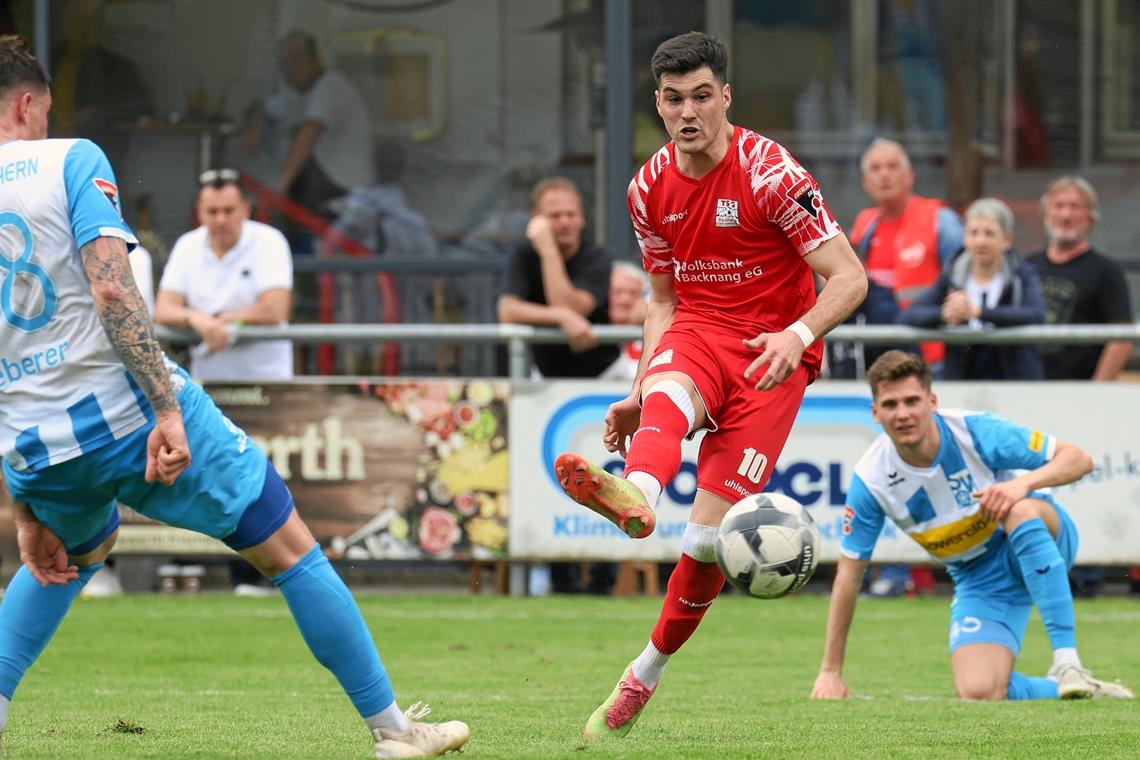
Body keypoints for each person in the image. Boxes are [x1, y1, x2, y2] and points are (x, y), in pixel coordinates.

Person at [0, 36, 467, 757]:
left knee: (63, 556)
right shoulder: (70, 159)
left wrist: (21, 497)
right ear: (30, 102)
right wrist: (163, 407)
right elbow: (110, 287)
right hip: (126, 415)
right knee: (290, 549)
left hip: (39, 447)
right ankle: (393, 731)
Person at [553, 32, 867, 739]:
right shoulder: (647, 188)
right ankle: (638, 492)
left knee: (703, 548)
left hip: (771, 357)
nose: (688, 111)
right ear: (658, 105)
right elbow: (661, 302)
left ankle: (643, 675)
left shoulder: (772, 174)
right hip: (698, 329)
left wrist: (798, 335)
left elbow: (850, 277)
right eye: (673, 99)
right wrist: (637, 388)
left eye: (701, 95)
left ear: (725, 96)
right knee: (666, 395)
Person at [810, 350, 1133, 702]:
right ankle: (1077, 691)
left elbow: (1079, 460)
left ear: (931, 402)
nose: (902, 414)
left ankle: (1068, 663)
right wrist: (830, 672)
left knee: (1018, 510)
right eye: (890, 405)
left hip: (1041, 534)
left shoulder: (975, 432)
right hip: (979, 577)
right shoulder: (871, 480)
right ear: (875, 413)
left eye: (912, 401)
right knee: (979, 691)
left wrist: (1021, 485)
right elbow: (849, 575)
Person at [155, 168, 294, 383]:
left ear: (246, 210)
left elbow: (275, 310)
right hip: (207, 382)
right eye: (212, 211)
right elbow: (163, 309)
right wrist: (196, 318)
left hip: (267, 381)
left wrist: (222, 320)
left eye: (229, 210)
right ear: (199, 212)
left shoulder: (270, 241)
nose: (221, 219)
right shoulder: (187, 245)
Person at [838, 138, 964, 372]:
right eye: (876, 169)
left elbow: (965, 283)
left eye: (893, 166)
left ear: (910, 175)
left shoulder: (940, 220)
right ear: (865, 182)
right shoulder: (864, 225)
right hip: (881, 355)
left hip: (932, 355)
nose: (884, 175)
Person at [900, 197, 1046, 380]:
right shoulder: (952, 274)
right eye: (973, 233)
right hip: (961, 382)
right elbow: (908, 315)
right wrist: (944, 315)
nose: (980, 241)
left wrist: (978, 312)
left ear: (1007, 240)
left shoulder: (1021, 274)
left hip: (1014, 380)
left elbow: (1036, 314)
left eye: (989, 234)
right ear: (964, 237)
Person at [245, 31, 375, 221]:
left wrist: (280, 186)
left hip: (349, 196)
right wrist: (254, 124)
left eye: (294, 60)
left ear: (316, 59)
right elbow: (267, 107)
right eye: (283, 63)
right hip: (328, 194)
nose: (288, 69)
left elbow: (308, 135)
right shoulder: (300, 94)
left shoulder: (331, 86)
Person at [497, 176, 619, 378]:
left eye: (571, 214)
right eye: (555, 216)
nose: (564, 222)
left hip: (603, 374)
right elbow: (507, 311)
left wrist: (548, 250)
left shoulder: (596, 256)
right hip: (545, 375)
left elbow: (568, 306)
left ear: (582, 218)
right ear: (536, 219)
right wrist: (561, 317)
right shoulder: (523, 254)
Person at [1026, 176, 1133, 381]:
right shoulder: (1025, 267)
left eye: (1075, 207)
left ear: (1090, 217)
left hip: (1079, 390)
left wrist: (1095, 392)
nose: (1066, 215)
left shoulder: (1106, 271)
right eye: (1059, 206)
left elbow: (1122, 340)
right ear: (1046, 214)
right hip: (1026, 387)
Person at [597, 261, 649, 382]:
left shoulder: (653, 335)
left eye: (633, 293)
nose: (625, 300)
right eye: (618, 292)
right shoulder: (589, 329)